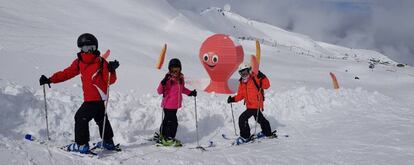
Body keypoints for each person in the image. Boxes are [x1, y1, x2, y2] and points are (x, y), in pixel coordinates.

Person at [39, 33, 120, 154]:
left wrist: (111, 70)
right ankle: (108, 142)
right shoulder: (79, 62)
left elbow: (110, 80)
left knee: (80, 118)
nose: (88, 51)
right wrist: (50, 79)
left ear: (95, 47)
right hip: (95, 99)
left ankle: (82, 145)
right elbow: (67, 73)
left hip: (95, 98)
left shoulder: (102, 62)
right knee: (101, 119)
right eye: (84, 48)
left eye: (90, 47)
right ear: (80, 48)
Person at [227, 63, 275, 145]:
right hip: (249, 105)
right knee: (260, 118)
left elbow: (266, 85)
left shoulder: (255, 78)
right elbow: (241, 95)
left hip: (255, 104)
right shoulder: (242, 82)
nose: (244, 75)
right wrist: (233, 99)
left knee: (242, 118)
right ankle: (267, 132)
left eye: (245, 72)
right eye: (242, 73)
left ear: (249, 70)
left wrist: (262, 76)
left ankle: (245, 137)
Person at [156, 58, 197, 147]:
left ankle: (163, 135)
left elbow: (182, 89)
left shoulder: (180, 79)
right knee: (173, 122)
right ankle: (168, 138)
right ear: (169, 69)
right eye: (173, 69)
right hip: (168, 105)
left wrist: (190, 93)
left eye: (177, 69)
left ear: (180, 69)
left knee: (167, 121)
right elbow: (159, 91)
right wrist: (163, 82)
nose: (175, 71)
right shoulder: (168, 79)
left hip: (174, 106)